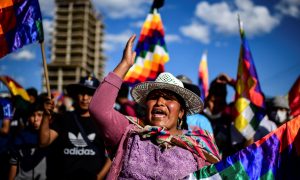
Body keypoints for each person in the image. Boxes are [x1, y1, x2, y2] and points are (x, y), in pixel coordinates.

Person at [89, 35, 220, 179]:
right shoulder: (128, 132)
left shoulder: (200, 144)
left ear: (181, 112)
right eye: (154, 97)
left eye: (169, 98)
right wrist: (125, 65)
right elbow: (98, 109)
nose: (159, 102)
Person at [39, 76, 111, 180]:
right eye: (81, 92)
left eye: (90, 93)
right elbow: (44, 142)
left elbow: (113, 153)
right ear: (75, 95)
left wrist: (99, 177)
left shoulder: (103, 122)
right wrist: (46, 115)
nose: (85, 98)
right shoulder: (63, 118)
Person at [8, 95, 50, 180]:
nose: (35, 119)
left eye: (39, 115)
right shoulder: (20, 137)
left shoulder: (51, 136)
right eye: (32, 115)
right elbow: (13, 164)